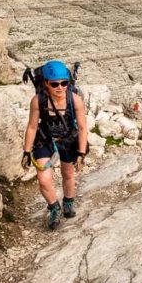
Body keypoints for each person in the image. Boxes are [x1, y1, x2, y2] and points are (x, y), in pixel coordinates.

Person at [20, 60, 88, 229]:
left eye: (64, 83)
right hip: (45, 139)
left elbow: (82, 127)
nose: (60, 87)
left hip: (68, 139)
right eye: (55, 84)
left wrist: (81, 153)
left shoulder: (75, 100)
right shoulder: (38, 101)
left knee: (68, 173)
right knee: (43, 180)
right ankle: (53, 207)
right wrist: (27, 152)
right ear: (46, 83)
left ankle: (68, 202)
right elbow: (32, 126)